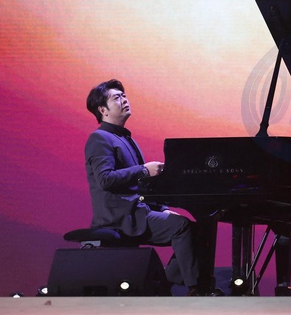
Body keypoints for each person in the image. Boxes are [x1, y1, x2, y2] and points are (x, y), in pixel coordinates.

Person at [84, 79, 205, 296]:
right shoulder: (100, 138)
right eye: (117, 98)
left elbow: (139, 189)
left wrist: (161, 209)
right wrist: (144, 170)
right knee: (182, 227)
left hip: (138, 212)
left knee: (193, 229)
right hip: (120, 217)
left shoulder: (125, 138)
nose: (124, 100)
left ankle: (164, 285)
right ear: (103, 110)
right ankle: (194, 289)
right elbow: (105, 179)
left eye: (124, 96)